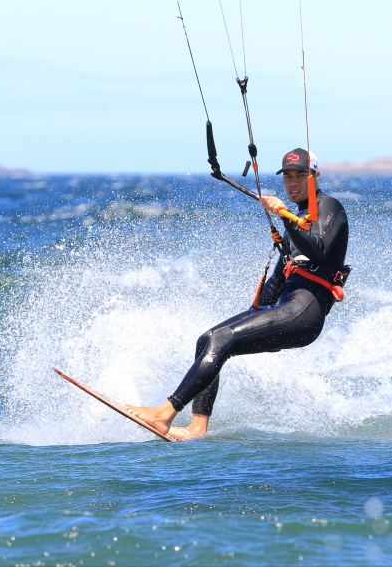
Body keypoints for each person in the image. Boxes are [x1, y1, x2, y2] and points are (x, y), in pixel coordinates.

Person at [125, 147, 349, 439]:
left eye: (300, 176)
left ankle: (164, 413)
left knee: (222, 339)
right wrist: (253, 318)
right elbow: (275, 288)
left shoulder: (329, 207)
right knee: (208, 340)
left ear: (315, 176)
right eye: (288, 177)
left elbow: (317, 248)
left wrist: (282, 214)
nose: (293, 183)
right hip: (287, 308)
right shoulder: (297, 223)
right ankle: (196, 428)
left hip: (306, 312)